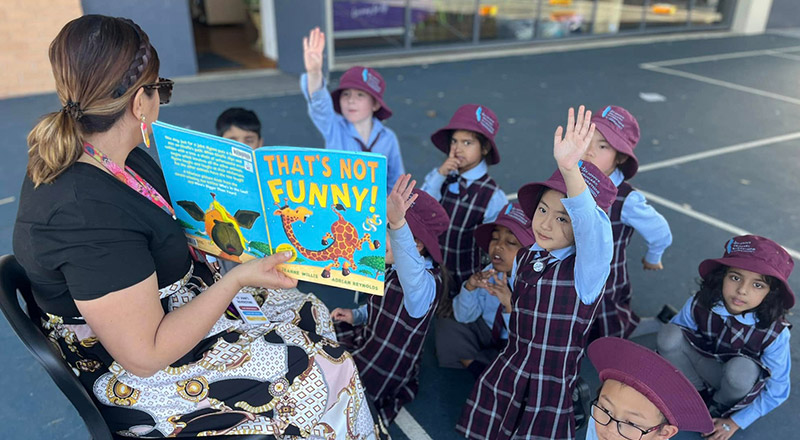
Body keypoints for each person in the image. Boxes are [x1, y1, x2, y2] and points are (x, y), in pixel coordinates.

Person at [13, 15, 381, 438]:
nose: (160, 101)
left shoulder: (113, 153)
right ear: (138, 103)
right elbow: (144, 354)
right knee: (318, 370)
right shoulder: (82, 215)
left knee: (308, 309)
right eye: (161, 90)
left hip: (164, 301)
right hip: (132, 375)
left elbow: (150, 226)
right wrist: (236, 280)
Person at [457, 106, 616, 440]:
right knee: (493, 427)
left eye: (562, 218)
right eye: (542, 209)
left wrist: (570, 170)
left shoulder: (588, 271)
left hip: (550, 379)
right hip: (513, 362)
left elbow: (589, 223)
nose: (544, 222)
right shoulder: (528, 254)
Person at [331, 175, 449, 425]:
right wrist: (358, 315)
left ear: (416, 245)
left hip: (384, 367)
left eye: (386, 231)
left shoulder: (423, 285)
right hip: (369, 340)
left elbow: (410, 269)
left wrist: (397, 224)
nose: (376, 235)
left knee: (337, 403)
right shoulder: (391, 266)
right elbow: (383, 307)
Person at [657, 235, 793, 440]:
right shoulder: (700, 303)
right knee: (669, 335)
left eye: (758, 285)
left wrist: (736, 422)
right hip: (703, 366)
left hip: (735, 386)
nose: (742, 290)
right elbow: (677, 338)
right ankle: (695, 394)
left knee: (741, 371)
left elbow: (778, 389)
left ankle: (717, 407)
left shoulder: (775, 332)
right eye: (735, 278)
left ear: (771, 293)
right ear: (722, 276)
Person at [582, 105, 672, 340]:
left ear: (620, 157)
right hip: (572, 265)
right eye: (586, 140)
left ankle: (628, 332)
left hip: (605, 274)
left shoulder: (626, 199)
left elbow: (660, 231)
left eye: (602, 146)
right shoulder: (571, 178)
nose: (588, 151)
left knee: (607, 314)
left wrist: (653, 257)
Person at [434, 202, 535, 377]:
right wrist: (470, 287)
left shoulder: (535, 282)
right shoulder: (489, 272)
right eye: (495, 238)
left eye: (511, 242)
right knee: (447, 325)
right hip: (487, 330)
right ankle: (482, 369)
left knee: (527, 359)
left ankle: (490, 371)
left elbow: (529, 337)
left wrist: (509, 305)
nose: (498, 246)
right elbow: (464, 316)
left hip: (517, 339)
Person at [300, 27, 404, 192]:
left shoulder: (388, 138)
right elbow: (320, 105)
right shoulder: (333, 127)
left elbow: (396, 182)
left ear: (375, 104)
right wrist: (314, 73)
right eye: (345, 94)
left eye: (360, 95)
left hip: (376, 212)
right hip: (339, 209)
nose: (351, 100)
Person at [420, 104, 508, 294]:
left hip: (464, 281)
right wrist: (440, 174)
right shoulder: (440, 177)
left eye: (467, 143)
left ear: (484, 148)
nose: (458, 149)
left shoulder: (493, 196)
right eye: (454, 141)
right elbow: (420, 209)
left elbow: (493, 248)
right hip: (430, 274)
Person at [586, 337, 714, 440]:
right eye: (606, 410)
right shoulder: (598, 418)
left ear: (664, 433)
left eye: (631, 424)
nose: (610, 430)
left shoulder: (604, 421)